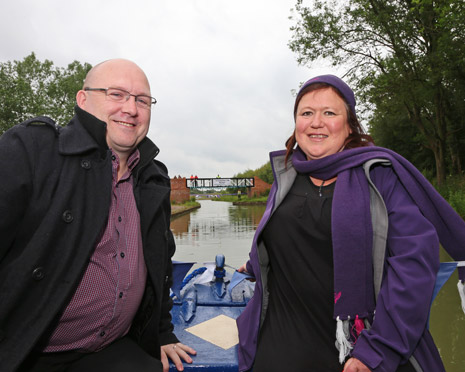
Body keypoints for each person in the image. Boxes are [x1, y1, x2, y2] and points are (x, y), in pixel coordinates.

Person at [236, 75, 465, 372]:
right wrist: (255, 264)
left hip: (360, 347)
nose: (316, 122)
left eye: (329, 113)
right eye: (306, 113)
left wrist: (378, 349)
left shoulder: (380, 177)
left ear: (349, 126)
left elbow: (414, 266)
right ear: (296, 123)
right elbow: (277, 234)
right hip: (282, 343)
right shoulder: (287, 174)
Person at [0, 59, 196, 372]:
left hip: (110, 349)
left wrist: (161, 333)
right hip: (27, 353)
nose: (131, 109)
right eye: (116, 94)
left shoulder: (152, 178)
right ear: (83, 99)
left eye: (142, 100)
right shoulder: (32, 150)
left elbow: (161, 266)